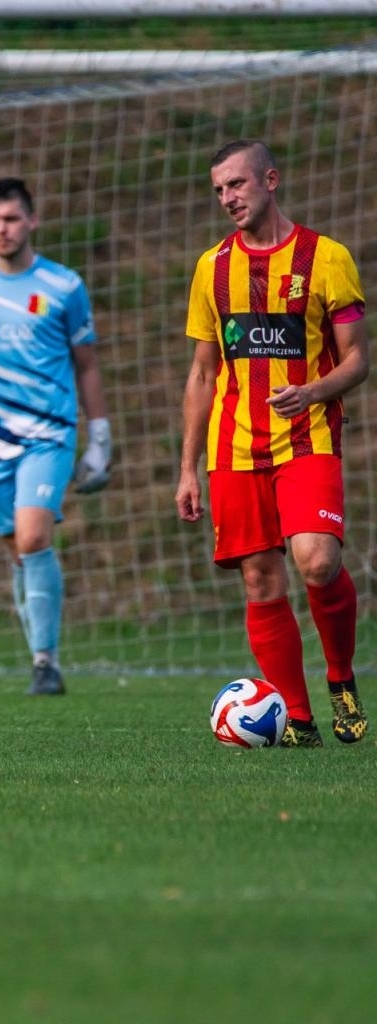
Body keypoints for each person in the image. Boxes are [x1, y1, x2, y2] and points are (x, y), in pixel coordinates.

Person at [177, 140, 369, 748]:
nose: (227, 198)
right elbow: (203, 373)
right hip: (234, 448)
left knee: (318, 561)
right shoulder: (212, 268)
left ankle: (341, 678)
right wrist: (188, 467)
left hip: (308, 438)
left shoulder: (326, 257)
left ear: (271, 180)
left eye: (236, 184)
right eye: (219, 190)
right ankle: (298, 721)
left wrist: (313, 391)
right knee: (261, 582)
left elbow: (358, 359)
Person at [0, 177, 111, 696]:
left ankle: (45, 662)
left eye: (11, 218)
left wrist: (99, 435)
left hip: (49, 433)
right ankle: (39, 656)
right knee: (18, 551)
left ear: (31, 220)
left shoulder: (64, 286)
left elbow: (87, 365)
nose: (2, 229)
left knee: (34, 537)